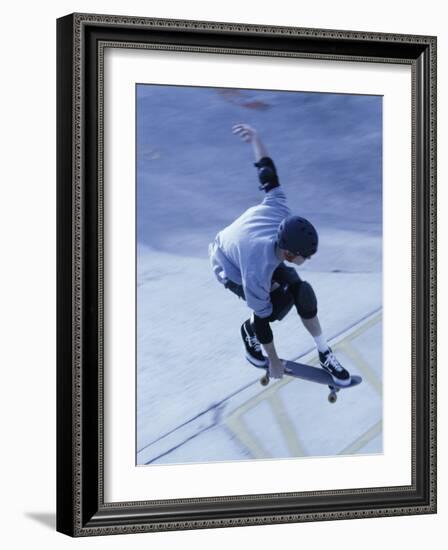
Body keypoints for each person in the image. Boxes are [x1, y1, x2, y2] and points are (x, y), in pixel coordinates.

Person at [208, 124, 351, 385]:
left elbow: (267, 172)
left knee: (300, 290)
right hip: (228, 263)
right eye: (303, 257)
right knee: (272, 307)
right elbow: (265, 322)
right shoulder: (256, 270)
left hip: (249, 243)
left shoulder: (279, 206)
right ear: (288, 253)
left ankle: (324, 352)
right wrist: (272, 359)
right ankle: (246, 331)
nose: (306, 261)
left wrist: (256, 138)